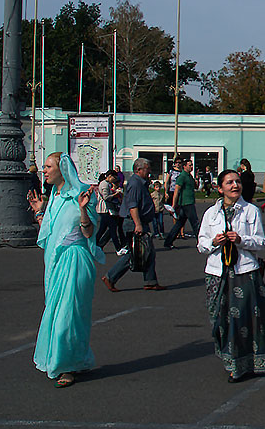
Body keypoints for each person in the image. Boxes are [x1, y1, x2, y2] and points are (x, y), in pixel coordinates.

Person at [197, 168, 265, 382]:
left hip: (244, 271)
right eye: (229, 183)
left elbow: (260, 242)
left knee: (243, 322)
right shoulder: (211, 214)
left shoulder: (250, 211)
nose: (234, 186)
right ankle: (229, 358)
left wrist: (241, 240)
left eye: (237, 182)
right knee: (219, 320)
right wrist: (214, 242)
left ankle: (241, 365)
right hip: (217, 273)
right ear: (220, 188)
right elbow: (201, 244)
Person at [27, 152, 104, 388]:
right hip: (54, 262)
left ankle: (66, 366)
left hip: (75, 261)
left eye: (49, 166)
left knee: (68, 315)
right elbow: (51, 233)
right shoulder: (55, 197)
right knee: (54, 312)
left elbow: (89, 233)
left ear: (62, 169)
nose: (44, 170)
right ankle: (68, 359)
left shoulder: (81, 195)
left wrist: (82, 209)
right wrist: (41, 212)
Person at [102, 157, 166, 292]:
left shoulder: (141, 183)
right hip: (134, 222)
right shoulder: (135, 184)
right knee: (135, 253)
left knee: (148, 252)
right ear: (138, 170)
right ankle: (110, 277)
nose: (149, 171)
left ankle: (150, 281)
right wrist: (138, 224)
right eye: (147, 169)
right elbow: (132, 206)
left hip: (140, 221)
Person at [164, 158, 199, 249]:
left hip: (189, 201)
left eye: (192, 165)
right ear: (184, 166)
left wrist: (197, 178)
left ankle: (168, 241)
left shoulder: (189, 176)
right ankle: (201, 241)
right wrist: (174, 204)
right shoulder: (182, 176)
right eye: (189, 165)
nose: (191, 167)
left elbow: (196, 187)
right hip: (186, 202)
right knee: (195, 222)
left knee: (179, 223)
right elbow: (176, 190)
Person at [94, 169, 124, 252]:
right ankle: (118, 248)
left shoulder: (106, 184)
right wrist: (115, 194)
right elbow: (106, 197)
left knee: (102, 229)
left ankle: (96, 245)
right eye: (114, 178)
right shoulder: (104, 184)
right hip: (105, 209)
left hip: (105, 209)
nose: (114, 180)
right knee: (112, 229)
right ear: (110, 176)